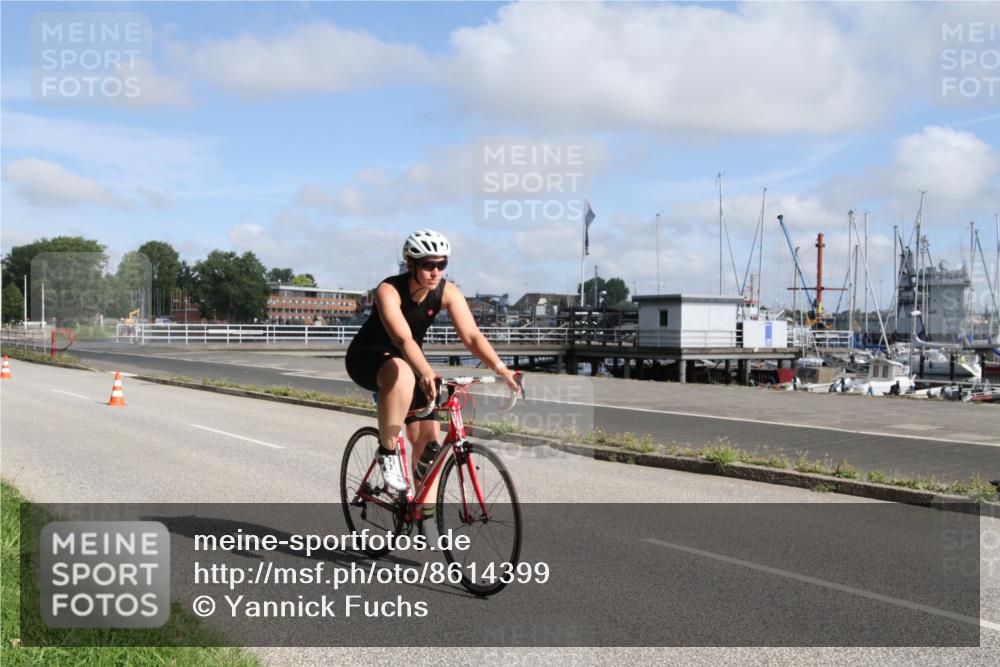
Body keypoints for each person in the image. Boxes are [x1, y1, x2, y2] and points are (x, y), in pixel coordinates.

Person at [345, 229, 519, 498]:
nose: (435, 272)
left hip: (409, 362)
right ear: (411, 264)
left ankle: (425, 521)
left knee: (428, 439)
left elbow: (472, 336)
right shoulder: (388, 290)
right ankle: (387, 451)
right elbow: (403, 340)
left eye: (442, 265)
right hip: (368, 357)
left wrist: (503, 369)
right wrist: (425, 371)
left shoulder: (447, 291)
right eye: (428, 265)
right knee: (402, 371)